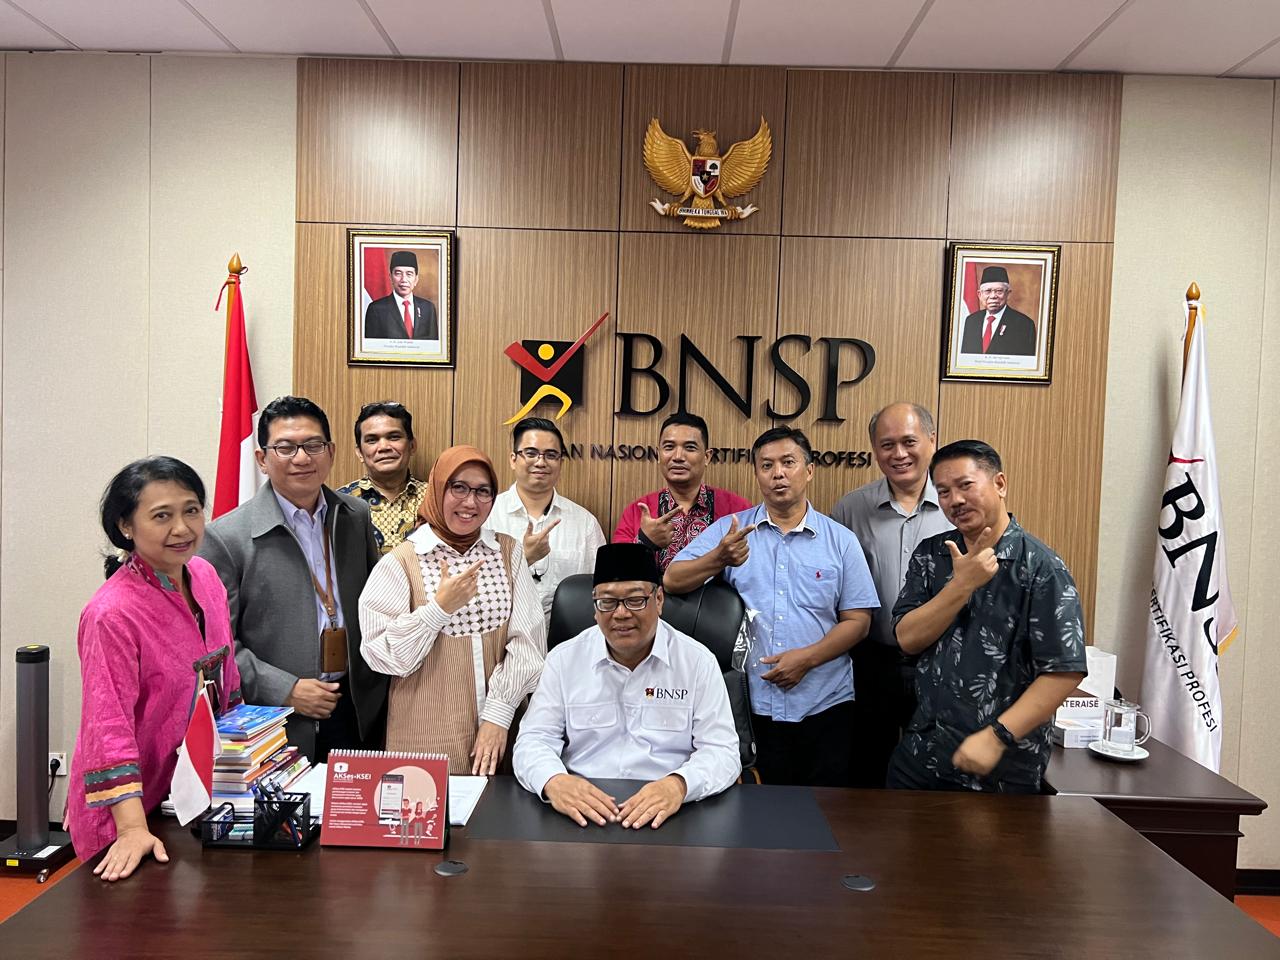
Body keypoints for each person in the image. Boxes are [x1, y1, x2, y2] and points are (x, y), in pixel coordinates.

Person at [666, 427, 878, 787]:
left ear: (809, 471)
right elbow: (673, 579)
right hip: (752, 705)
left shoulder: (841, 541)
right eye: (766, 465)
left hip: (826, 702)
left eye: (788, 463)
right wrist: (719, 558)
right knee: (758, 810)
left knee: (826, 809)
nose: (778, 473)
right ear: (757, 474)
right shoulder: (732, 531)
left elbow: (859, 620)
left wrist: (807, 659)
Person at [67, 457, 243, 880]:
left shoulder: (205, 575)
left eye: (191, 510)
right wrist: (131, 828)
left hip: (191, 795)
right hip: (129, 813)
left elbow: (228, 680)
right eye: (162, 516)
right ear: (126, 526)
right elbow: (107, 726)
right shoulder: (111, 613)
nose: (182, 528)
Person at [887, 440, 1087, 794]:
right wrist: (960, 585)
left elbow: (1063, 671)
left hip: (1000, 766)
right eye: (944, 492)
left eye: (965, 485)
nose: (955, 500)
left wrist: (997, 737)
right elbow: (907, 638)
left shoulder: (1040, 568)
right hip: (921, 754)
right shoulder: (932, 554)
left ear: (1000, 484)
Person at [200, 396, 385, 762]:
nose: (302, 458)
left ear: (331, 452)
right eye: (285, 448)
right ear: (262, 459)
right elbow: (217, 649)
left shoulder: (355, 515)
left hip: (357, 708)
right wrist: (286, 690)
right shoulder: (226, 537)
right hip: (279, 720)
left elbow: (377, 606)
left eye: (313, 445)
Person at [514, 544, 739, 829]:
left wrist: (679, 785)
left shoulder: (697, 662)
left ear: (659, 600)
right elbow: (533, 740)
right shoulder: (563, 660)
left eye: (635, 600)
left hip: (671, 813)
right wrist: (554, 781)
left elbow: (722, 750)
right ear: (594, 607)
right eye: (607, 602)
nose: (620, 614)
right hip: (582, 813)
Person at [359, 445, 546, 775]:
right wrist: (438, 609)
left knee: (500, 808)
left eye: (483, 491)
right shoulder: (401, 562)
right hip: (426, 732)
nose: (471, 502)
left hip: (501, 731)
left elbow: (528, 642)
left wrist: (498, 715)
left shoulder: (507, 552)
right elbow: (384, 656)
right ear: (437, 489)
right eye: (458, 487)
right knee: (428, 807)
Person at [830, 402, 953, 787]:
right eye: (887, 445)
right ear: (874, 450)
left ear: (932, 440)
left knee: (936, 772)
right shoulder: (852, 508)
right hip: (871, 661)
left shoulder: (956, 505)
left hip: (941, 662)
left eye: (909, 442)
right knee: (866, 768)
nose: (899, 454)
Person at [484, 416, 605, 619]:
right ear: (513, 459)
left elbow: (601, 591)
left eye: (551, 455)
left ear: (560, 462)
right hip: (499, 633)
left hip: (566, 636)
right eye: (531, 453)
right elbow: (472, 587)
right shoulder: (487, 515)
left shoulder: (585, 524)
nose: (541, 462)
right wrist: (524, 558)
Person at [612, 411, 751, 572]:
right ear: (658, 454)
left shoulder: (737, 509)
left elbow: (755, 568)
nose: (678, 456)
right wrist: (645, 541)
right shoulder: (638, 511)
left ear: (707, 457)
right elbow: (615, 572)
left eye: (690, 448)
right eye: (669, 447)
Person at [337, 401, 427, 554]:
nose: (384, 447)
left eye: (394, 437)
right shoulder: (339, 503)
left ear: (412, 446)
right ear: (359, 453)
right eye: (372, 440)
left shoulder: (435, 499)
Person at [959, 265, 1036, 356]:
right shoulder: (971, 321)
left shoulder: (1024, 324)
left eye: (999, 291)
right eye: (988, 291)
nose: (993, 296)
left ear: (1008, 294)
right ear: (979, 294)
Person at [363, 251, 439, 341]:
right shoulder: (376, 309)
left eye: (409, 274)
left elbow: (433, 344)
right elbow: (371, 345)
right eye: (398, 273)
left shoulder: (428, 308)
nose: (404, 280)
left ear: (416, 279)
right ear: (390, 277)